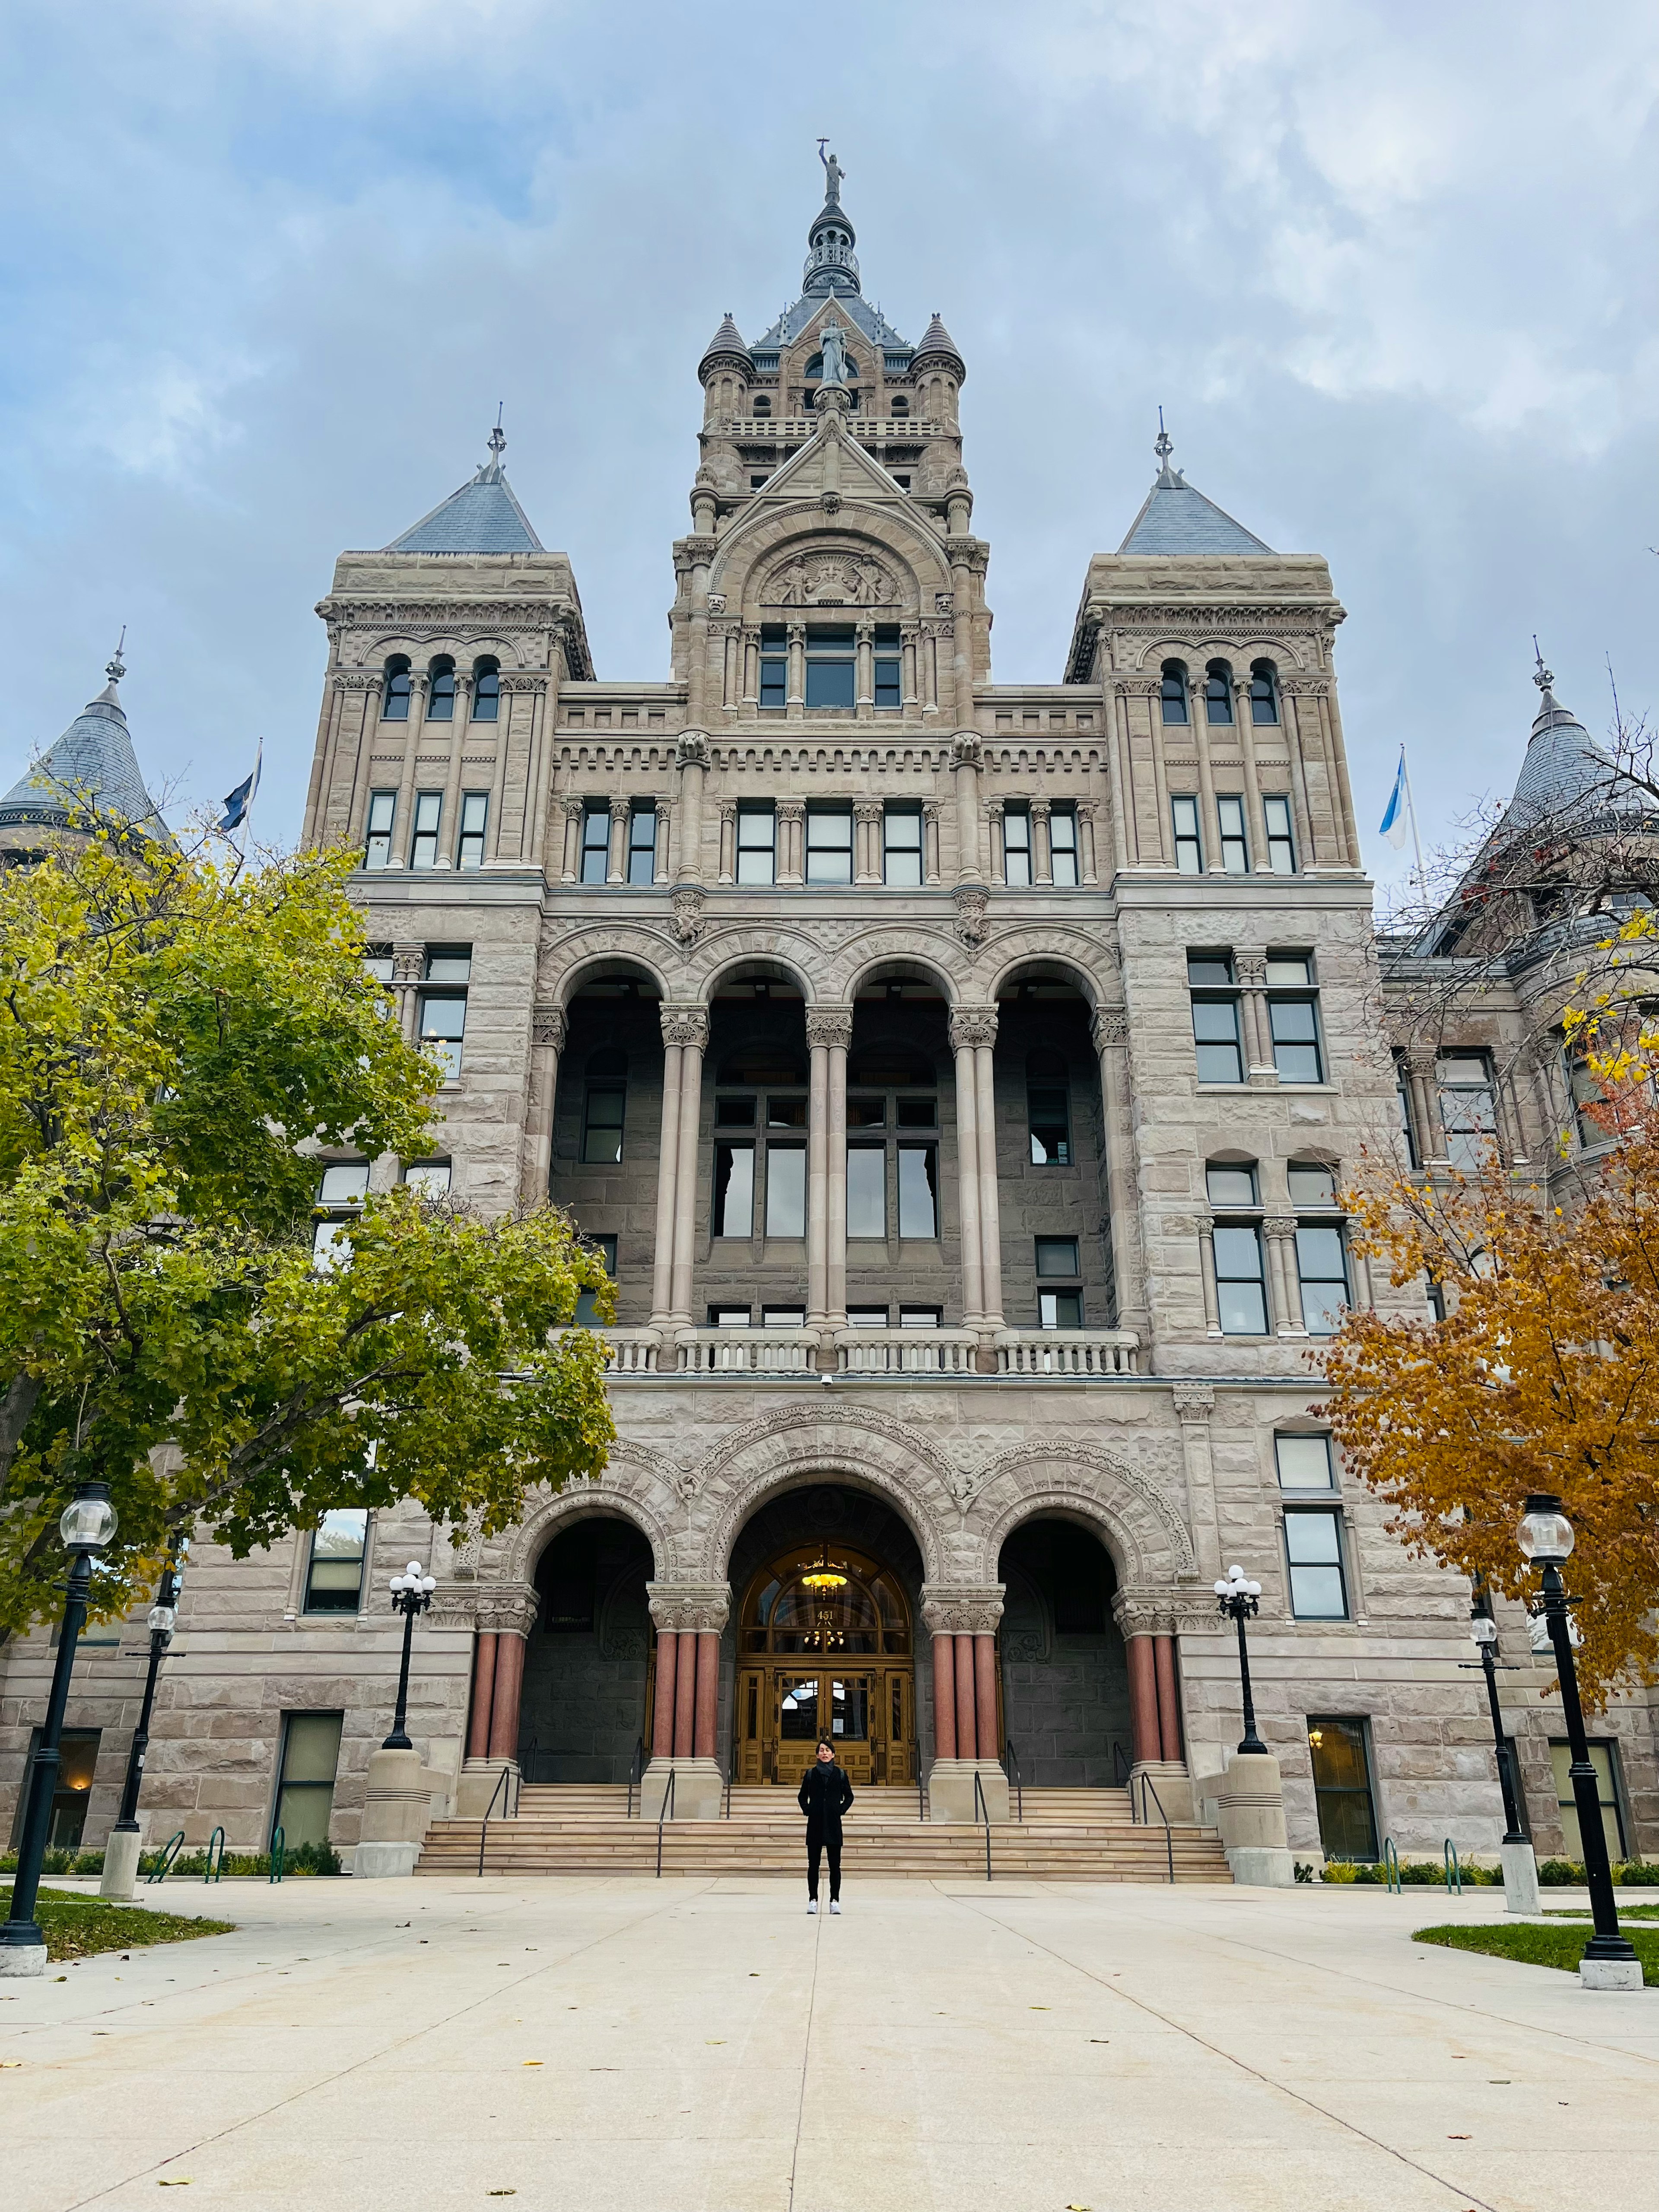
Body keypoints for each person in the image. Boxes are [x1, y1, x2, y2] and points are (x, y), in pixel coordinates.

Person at [798, 1737, 854, 1913]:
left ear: (833, 1754)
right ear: (817, 1755)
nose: (825, 1753)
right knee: (813, 1864)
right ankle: (813, 1900)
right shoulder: (810, 1774)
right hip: (815, 1823)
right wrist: (808, 1810)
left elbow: (849, 1796)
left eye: (827, 1750)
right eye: (821, 1751)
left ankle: (834, 1900)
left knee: (834, 1865)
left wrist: (840, 1810)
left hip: (833, 1823)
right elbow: (802, 1796)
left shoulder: (841, 1774)